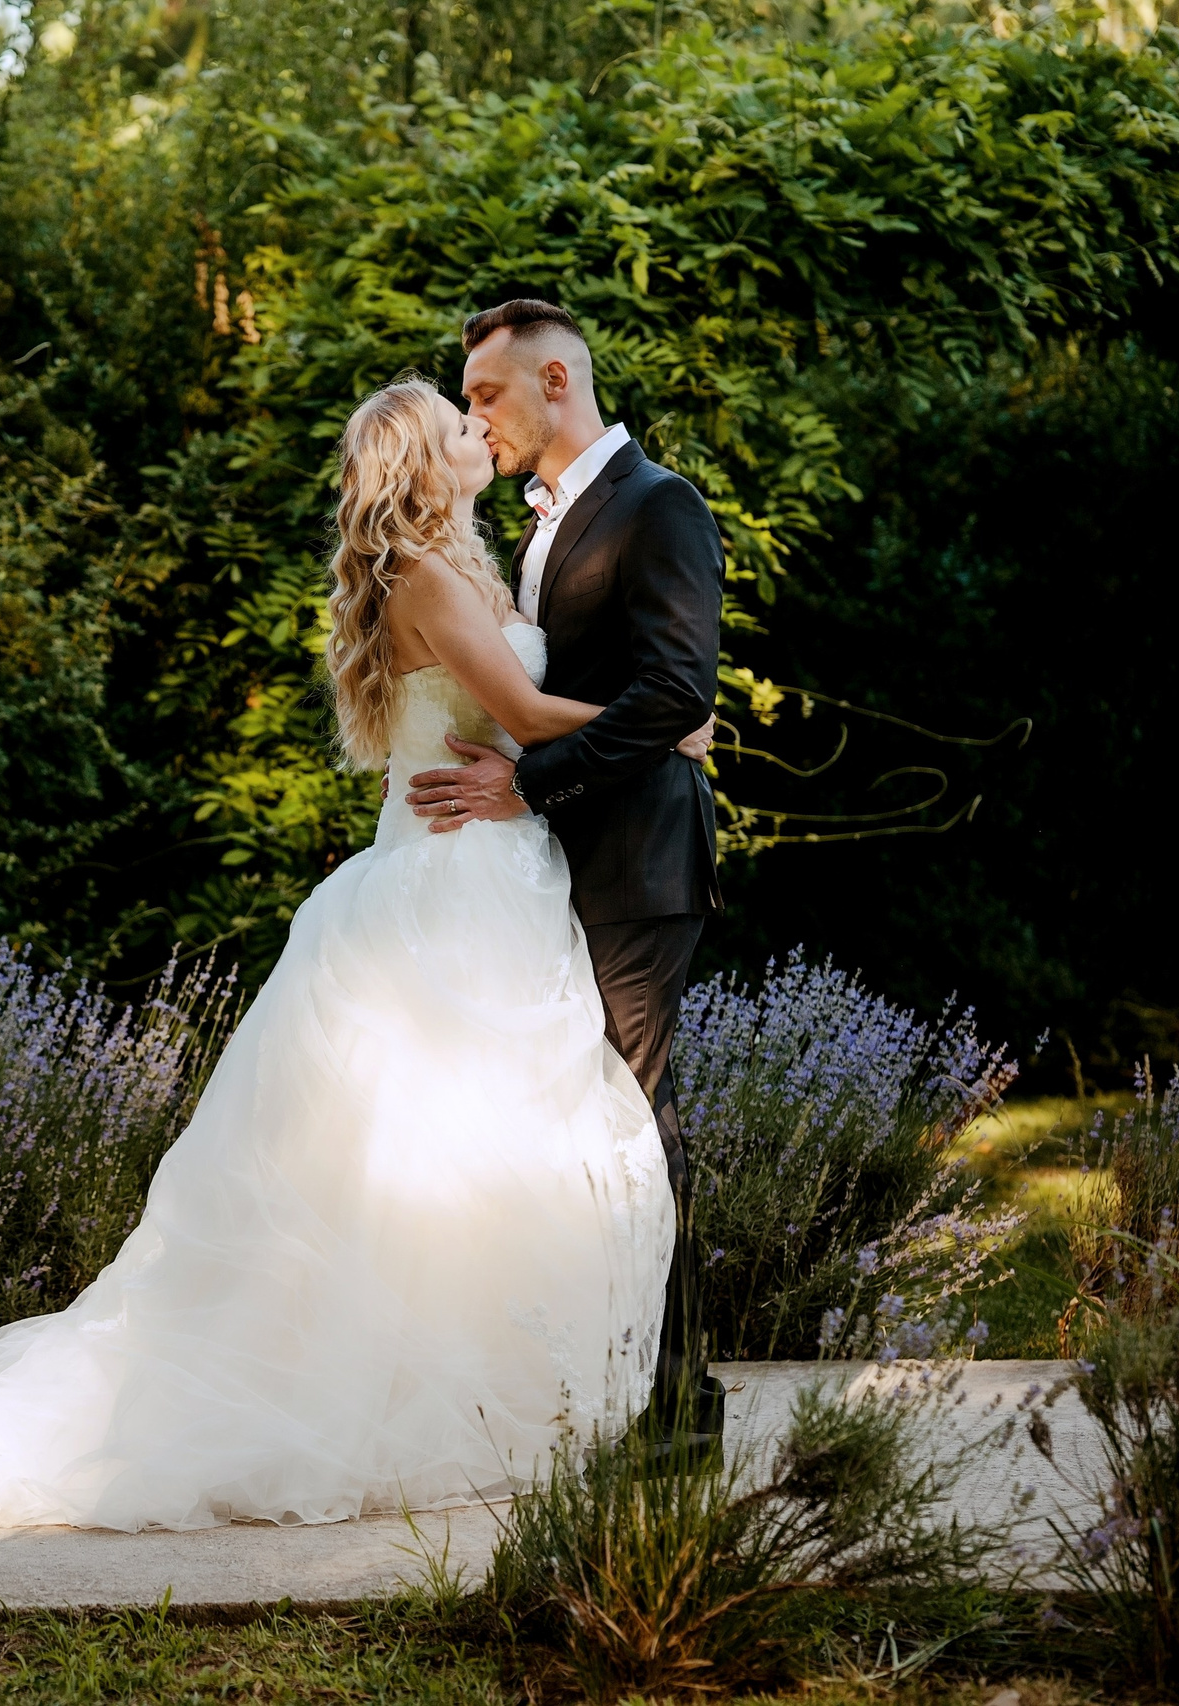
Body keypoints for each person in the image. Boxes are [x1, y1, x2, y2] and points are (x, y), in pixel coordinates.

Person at [0, 346, 713, 1533]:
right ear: (421, 458)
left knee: (468, 1156)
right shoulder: (422, 574)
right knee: (423, 1149)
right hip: (449, 880)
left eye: (478, 402)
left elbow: (524, 721)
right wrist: (672, 731)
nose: (476, 422)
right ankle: (387, 1398)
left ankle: (485, 1386)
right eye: (455, 414)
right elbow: (529, 716)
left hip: (505, 869)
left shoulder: (477, 564)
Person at [404, 297, 728, 1455]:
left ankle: (679, 1412)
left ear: (554, 382)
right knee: (577, 1134)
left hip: (637, 863)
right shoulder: (533, 524)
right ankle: (600, 1387)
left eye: (485, 393)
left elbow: (677, 691)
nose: (473, 415)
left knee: (638, 1128)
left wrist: (527, 781)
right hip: (549, 873)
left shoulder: (659, 505)